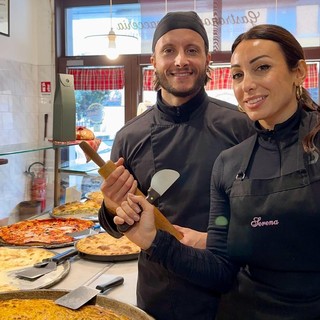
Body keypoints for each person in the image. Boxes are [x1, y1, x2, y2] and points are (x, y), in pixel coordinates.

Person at [115, 24, 320, 320]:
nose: (247, 85)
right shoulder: (230, 163)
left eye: (262, 67)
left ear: (299, 72)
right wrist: (153, 241)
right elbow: (222, 271)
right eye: (238, 74)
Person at [98, 11, 254, 320]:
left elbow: (262, 217)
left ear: (207, 59)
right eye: (169, 50)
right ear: (153, 60)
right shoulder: (129, 136)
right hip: (158, 293)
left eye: (192, 50)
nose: (181, 60)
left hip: (228, 296)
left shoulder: (241, 127)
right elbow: (119, 229)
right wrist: (113, 208)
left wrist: (210, 239)